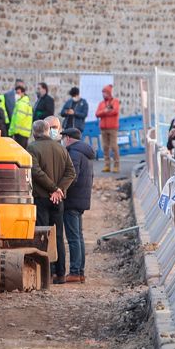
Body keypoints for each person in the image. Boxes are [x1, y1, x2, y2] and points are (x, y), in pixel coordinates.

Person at [27, 119, 76, 285]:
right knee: (58, 235)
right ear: (48, 131)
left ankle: (46, 274)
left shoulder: (32, 148)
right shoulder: (61, 148)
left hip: (41, 198)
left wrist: (54, 189)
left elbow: (36, 172)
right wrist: (59, 190)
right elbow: (71, 172)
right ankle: (60, 273)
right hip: (58, 200)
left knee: (43, 236)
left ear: (34, 133)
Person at [61, 126, 94, 283]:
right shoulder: (85, 152)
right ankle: (79, 271)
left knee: (73, 238)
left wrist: (60, 190)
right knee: (78, 237)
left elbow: (72, 176)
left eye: (63, 138)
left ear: (67, 138)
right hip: (81, 198)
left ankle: (75, 272)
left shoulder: (74, 153)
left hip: (73, 199)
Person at [95, 85, 121, 172]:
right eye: (103, 93)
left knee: (114, 146)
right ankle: (107, 165)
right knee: (105, 147)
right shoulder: (101, 104)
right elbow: (97, 114)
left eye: (105, 92)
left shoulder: (115, 101)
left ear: (109, 93)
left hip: (113, 127)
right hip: (103, 128)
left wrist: (105, 112)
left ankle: (116, 165)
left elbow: (115, 111)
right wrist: (105, 111)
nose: (104, 94)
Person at [8, 83, 34, 147]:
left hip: (19, 133)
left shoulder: (21, 104)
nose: (17, 94)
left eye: (18, 93)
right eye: (16, 93)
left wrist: (13, 132)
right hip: (24, 133)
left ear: (23, 93)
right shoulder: (26, 102)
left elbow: (18, 119)